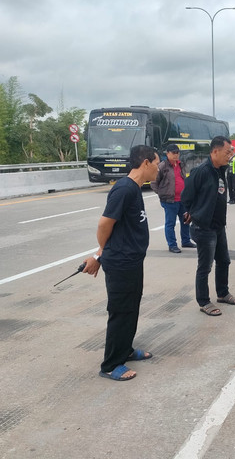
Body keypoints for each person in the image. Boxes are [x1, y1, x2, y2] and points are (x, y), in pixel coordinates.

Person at [82, 145, 160, 381]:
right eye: (156, 163)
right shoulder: (124, 189)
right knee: (121, 311)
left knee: (131, 308)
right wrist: (101, 253)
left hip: (132, 260)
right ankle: (111, 364)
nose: (159, 168)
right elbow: (104, 225)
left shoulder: (135, 189)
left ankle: (125, 350)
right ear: (145, 163)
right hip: (121, 263)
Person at [181, 136, 235, 317]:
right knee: (205, 267)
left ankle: (222, 293)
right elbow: (186, 197)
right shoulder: (201, 171)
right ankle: (204, 301)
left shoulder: (221, 169)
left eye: (231, 152)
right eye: (227, 152)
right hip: (204, 227)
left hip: (218, 226)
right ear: (215, 151)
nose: (229, 155)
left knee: (224, 261)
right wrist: (194, 212)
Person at [150, 144, 196, 253]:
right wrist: (161, 193)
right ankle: (172, 245)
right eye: (173, 153)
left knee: (185, 221)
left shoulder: (181, 165)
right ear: (167, 154)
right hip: (169, 200)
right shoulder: (163, 166)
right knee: (170, 223)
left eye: (177, 153)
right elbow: (154, 182)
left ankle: (186, 240)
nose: (175, 155)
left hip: (182, 199)